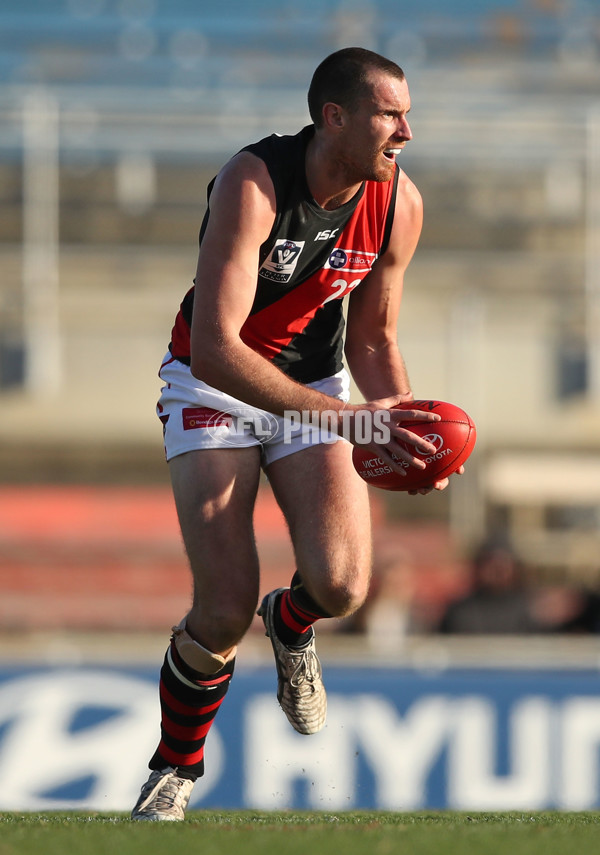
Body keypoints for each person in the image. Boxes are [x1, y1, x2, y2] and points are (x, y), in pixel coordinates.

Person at [131, 46, 458, 821]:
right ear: (334, 117)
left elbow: (373, 339)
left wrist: (404, 429)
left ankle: (291, 620)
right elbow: (216, 344)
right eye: (390, 113)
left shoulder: (399, 203)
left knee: (344, 585)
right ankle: (173, 771)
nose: (407, 131)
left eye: (407, 113)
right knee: (221, 605)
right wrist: (351, 419)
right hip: (212, 381)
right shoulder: (255, 182)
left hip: (314, 385)